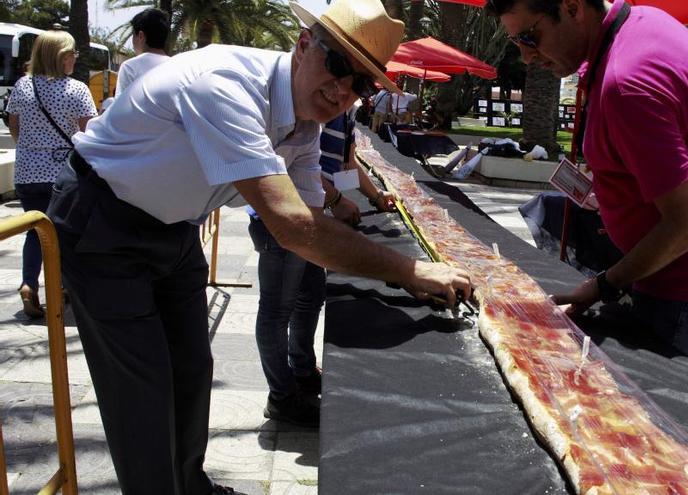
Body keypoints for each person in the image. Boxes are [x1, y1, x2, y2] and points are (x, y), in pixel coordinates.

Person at [46, 0, 471, 493]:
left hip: (173, 228)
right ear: (304, 44)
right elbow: (293, 227)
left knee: (190, 370)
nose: (342, 90)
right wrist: (409, 271)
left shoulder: (305, 122)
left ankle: (188, 483)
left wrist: (400, 268)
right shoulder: (223, 84)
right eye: (337, 66)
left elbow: (309, 216)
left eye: (361, 84)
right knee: (142, 390)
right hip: (104, 220)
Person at [487, 0, 688, 368]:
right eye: (516, 43)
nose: (525, 57)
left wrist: (602, 285)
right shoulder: (643, 21)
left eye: (529, 37)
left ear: (572, 9)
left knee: (660, 409)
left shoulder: (627, 83)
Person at [247, 107, 396, 426]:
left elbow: (347, 163)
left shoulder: (345, 113)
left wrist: (376, 196)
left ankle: (301, 370)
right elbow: (290, 167)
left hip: (312, 219)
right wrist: (335, 201)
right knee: (277, 310)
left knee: (310, 296)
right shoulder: (316, 104)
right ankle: (282, 397)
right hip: (286, 221)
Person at [6, 30, 96, 318]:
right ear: (62, 57)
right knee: (65, 234)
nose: (74, 59)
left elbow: (15, 129)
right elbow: (89, 133)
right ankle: (62, 287)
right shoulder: (76, 90)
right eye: (72, 54)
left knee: (35, 231)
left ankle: (29, 284)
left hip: (27, 173)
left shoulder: (22, 86)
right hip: (63, 174)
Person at [115, 8, 170, 97]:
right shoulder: (178, 66)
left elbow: (120, 108)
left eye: (133, 35)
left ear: (140, 36)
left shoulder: (130, 67)